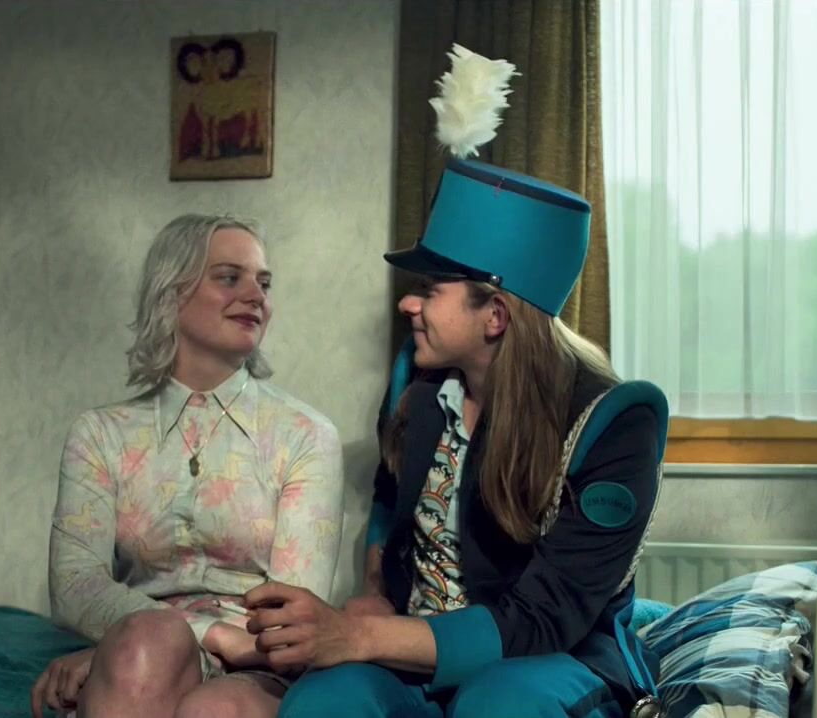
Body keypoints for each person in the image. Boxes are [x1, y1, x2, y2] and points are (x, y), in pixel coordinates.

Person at [240, 158, 667, 718]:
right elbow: (390, 495)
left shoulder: (614, 423)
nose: (407, 304)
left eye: (429, 289)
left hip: (551, 657)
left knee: (498, 705)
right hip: (415, 647)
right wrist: (375, 590)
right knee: (322, 702)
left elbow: (543, 619)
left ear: (495, 316)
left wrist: (356, 636)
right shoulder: (418, 383)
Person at [30, 214, 345, 718]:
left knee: (210, 709)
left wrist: (179, 644)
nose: (255, 296)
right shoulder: (100, 434)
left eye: (263, 284)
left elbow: (290, 616)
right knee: (146, 647)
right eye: (229, 277)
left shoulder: (305, 435)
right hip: (143, 650)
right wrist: (198, 634)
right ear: (171, 293)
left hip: (258, 660)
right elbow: (74, 588)